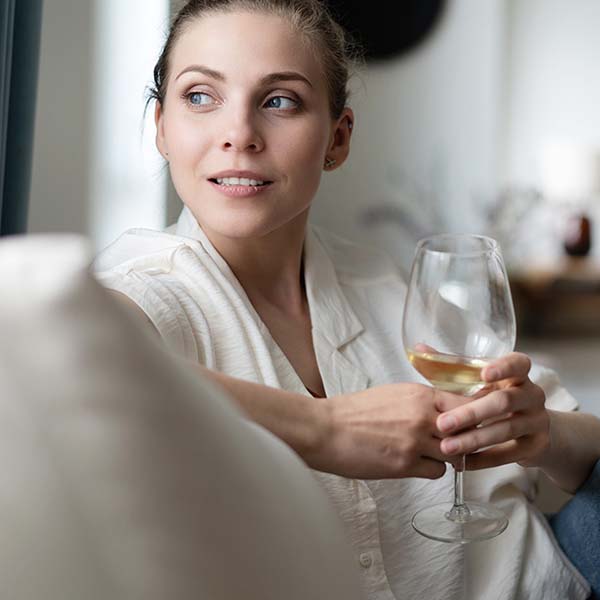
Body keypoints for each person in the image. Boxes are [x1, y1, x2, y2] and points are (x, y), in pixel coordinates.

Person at [94, 1, 600, 598]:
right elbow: (73, 364)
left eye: (279, 100)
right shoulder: (145, 288)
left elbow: (586, 445)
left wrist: (542, 432)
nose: (238, 135)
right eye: (200, 96)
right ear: (160, 128)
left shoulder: (386, 286)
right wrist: (323, 427)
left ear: (337, 139)